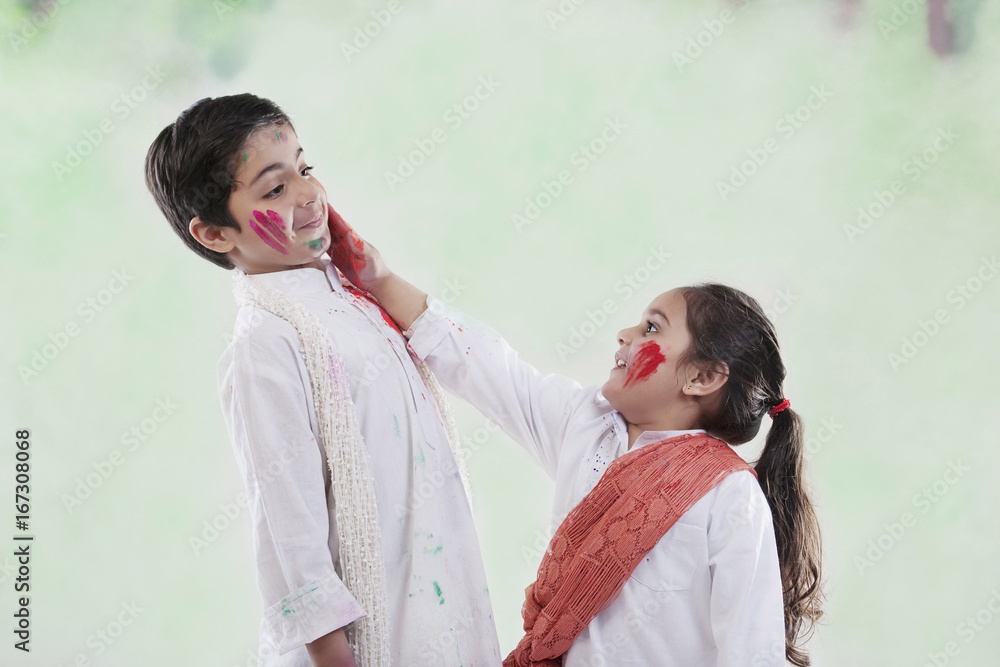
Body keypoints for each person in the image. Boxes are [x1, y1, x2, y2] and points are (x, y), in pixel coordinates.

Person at [324, 214, 825, 666]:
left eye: (652, 327)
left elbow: (751, 651)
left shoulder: (727, 494)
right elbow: (489, 369)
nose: (626, 334)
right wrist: (381, 281)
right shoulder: (586, 425)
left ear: (702, 378)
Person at [144, 93, 501, 667]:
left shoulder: (354, 293)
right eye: (274, 189)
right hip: (365, 644)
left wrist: (377, 277)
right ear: (215, 234)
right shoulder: (266, 344)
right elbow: (292, 543)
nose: (309, 194)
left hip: (434, 604)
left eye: (305, 169)